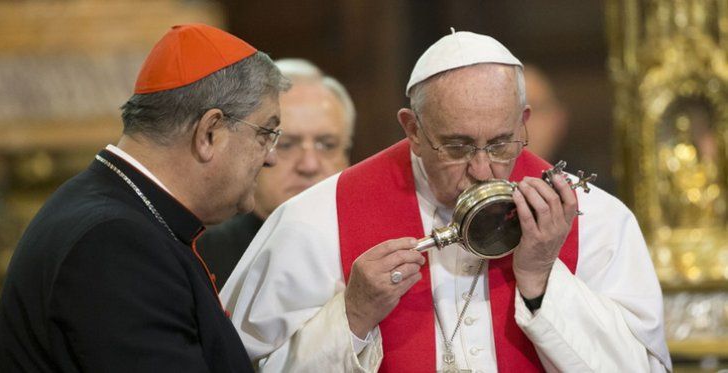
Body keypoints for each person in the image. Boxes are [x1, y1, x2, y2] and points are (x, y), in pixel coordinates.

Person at [222, 30, 672, 372]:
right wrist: (352, 316)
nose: (482, 170)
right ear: (413, 130)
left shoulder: (597, 220)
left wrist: (542, 278)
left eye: (500, 144)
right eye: (457, 147)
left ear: (525, 122)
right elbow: (246, 364)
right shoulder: (316, 220)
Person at [0, 24, 289, 372]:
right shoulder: (114, 244)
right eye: (266, 133)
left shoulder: (120, 216)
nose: (271, 157)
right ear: (209, 132)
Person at [198, 58, 354, 285]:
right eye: (286, 144)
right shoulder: (204, 258)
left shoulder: (378, 248)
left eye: (327, 144)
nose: (309, 165)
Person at [523, 64, 569, 162]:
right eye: (512, 113)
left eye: (534, 108)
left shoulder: (581, 176)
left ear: (558, 118)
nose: (523, 123)